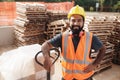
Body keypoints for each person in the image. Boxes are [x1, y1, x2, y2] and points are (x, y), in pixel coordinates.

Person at [41, 5, 106, 80]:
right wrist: (46, 58)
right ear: (69, 21)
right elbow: (45, 45)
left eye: (79, 20)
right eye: (73, 20)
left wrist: (95, 64)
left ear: (83, 22)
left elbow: (103, 49)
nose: (76, 23)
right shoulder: (62, 37)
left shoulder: (90, 37)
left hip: (84, 77)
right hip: (67, 77)